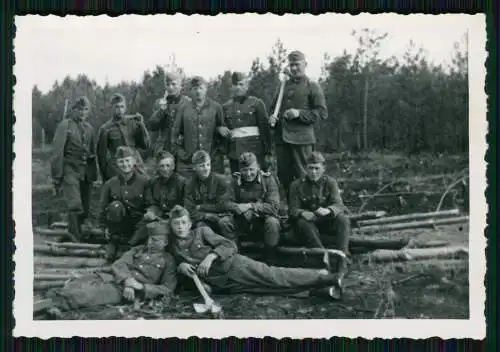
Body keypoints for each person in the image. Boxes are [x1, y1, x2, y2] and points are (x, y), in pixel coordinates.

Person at [168, 205, 343, 300]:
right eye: (177, 224)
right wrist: (180, 267)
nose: (181, 227)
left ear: (190, 223)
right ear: (171, 226)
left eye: (184, 222)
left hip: (235, 266)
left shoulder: (202, 231)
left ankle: (328, 277)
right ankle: (323, 290)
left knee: (274, 276)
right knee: (268, 290)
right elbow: (174, 269)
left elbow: (229, 245)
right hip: (223, 284)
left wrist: (211, 256)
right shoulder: (172, 246)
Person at [44, 229, 177, 319]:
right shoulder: (138, 249)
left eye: (154, 240)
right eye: (149, 239)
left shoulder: (168, 260)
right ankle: (52, 297)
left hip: (123, 291)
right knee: (77, 283)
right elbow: (120, 264)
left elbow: (168, 289)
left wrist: (141, 287)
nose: (149, 243)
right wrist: (128, 280)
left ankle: (53, 304)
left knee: (87, 295)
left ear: (165, 242)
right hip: (113, 277)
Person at [269, 50, 328, 199]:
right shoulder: (283, 86)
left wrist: (299, 114)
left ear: (305, 64)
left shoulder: (312, 86)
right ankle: (292, 211)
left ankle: (308, 207)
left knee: (305, 175)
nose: (294, 68)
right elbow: (273, 108)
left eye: (297, 65)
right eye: (291, 65)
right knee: (284, 176)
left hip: (302, 140)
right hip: (282, 139)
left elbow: (321, 113)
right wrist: (272, 118)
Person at [288, 151, 350, 278]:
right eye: (310, 168)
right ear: (306, 168)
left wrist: (329, 210)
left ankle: (342, 258)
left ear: (323, 168)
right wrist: (303, 213)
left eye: (317, 168)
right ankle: (322, 258)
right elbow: (292, 210)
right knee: (302, 222)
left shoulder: (330, 183)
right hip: (307, 228)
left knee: (343, 219)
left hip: (326, 222)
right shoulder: (296, 185)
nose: (313, 172)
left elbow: (340, 205)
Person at [50, 96, 98, 242]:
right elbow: (57, 152)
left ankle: (82, 233)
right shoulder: (65, 125)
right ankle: (75, 238)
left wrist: (93, 175)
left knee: (86, 205)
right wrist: (57, 176)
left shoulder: (89, 128)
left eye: (85, 109)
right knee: (75, 204)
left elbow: (92, 152)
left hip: (85, 172)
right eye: (79, 109)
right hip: (69, 169)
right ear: (73, 110)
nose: (82, 112)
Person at [225, 152, 281, 263]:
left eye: (251, 169)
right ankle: (236, 257)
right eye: (244, 170)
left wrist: (251, 206)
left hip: (262, 220)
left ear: (258, 168)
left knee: (273, 223)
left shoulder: (268, 180)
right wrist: (237, 207)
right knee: (225, 222)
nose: (248, 173)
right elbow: (225, 202)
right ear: (240, 170)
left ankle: (270, 259)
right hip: (242, 220)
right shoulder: (234, 180)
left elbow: (274, 206)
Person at [98, 146, 150, 262]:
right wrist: (104, 228)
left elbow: (150, 205)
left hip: (138, 224)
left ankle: (131, 245)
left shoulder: (144, 182)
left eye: (127, 160)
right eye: (121, 161)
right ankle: (114, 242)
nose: (125, 164)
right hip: (119, 225)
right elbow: (102, 208)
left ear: (134, 161)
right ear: (117, 163)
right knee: (115, 206)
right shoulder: (110, 184)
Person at [170, 76, 227, 177]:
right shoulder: (183, 108)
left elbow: (223, 131)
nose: (198, 91)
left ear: (206, 89)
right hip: (189, 161)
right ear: (191, 90)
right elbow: (174, 133)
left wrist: (218, 152)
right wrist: (181, 153)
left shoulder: (216, 107)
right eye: (195, 88)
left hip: (212, 161)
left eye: (201, 88)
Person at [222, 72, 273, 174]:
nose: (238, 87)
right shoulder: (225, 107)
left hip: (255, 150)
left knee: (259, 179)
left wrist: (268, 151)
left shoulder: (257, 103)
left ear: (246, 86)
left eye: (241, 84)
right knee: (237, 179)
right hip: (235, 151)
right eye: (235, 85)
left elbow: (265, 130)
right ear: (231, 87)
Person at [96, 93, 150, 182]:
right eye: (117, 107)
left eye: (122, 106)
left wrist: (141, 125)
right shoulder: (105, 128)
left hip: (136, 164)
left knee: (146, 184)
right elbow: (101, 155)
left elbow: (145, 145)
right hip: (118, 167)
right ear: (111, 108)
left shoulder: (133, 122)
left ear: (125, 107)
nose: (120, 110)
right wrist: (105, 175)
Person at [183, 150, 235, 241]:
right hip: (203, 217)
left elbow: (223, 205)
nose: (206, 168)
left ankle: (233, 248)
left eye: (208, 164)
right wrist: (206, 215)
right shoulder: (190, 184)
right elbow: (190, 209)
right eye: (202, 166)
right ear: (194, 167)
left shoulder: (221, 180)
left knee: (225, 223)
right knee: (201, 226)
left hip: (222, 215)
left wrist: (202, 206)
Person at [141, 151, 186, 235]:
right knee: (142, 225)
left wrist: (174, 214)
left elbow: (185, 205)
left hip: (176, 218)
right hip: (158, 216)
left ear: (173, 166)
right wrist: (151, 211)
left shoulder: (181, 182)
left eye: (168, 165)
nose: (165, 169)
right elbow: (151, 202)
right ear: (158, 167)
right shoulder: (153, 182)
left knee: (158, 231)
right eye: (162, 166)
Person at [148, 72, 191, 156]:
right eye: (167, 84)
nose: (170, 87)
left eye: (174, 84)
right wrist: (162, 110)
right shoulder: (159, 103)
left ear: (180, 86)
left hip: (182, 148)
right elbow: (152, 126)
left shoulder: (188, 103)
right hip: (164, 149)